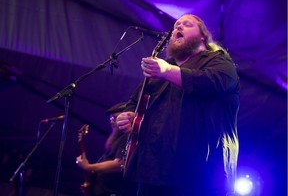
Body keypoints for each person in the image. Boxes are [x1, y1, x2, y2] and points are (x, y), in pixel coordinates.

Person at [116, 13, 240, 196]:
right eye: (176, 26)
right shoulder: (162, 68)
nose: (178, 27)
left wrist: (168, 71)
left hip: (199, 172)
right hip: (153, 170)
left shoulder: (217, 60)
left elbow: (217, 81)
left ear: (202, 36)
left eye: (187, 24)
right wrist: (128, 116)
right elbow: (135, 102)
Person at [76, 102, 136, 196]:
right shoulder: (117, 139)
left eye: (115, 118)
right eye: (111, 118)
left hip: (113, 191)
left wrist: (89, 167)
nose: (112, 121)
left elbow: (119, 164)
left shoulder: (127, 137)